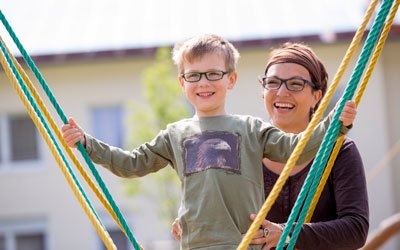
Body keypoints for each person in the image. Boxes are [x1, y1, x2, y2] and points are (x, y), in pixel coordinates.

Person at [61, 35, 357, 249]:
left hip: (243, 243)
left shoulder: (251, 129)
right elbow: (131, 164)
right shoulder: (174, 134)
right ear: (182, 83)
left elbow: (297, 149)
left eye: (214, 74)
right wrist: (88, 143)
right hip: (197, 244)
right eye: (194, 76)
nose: (204, 83)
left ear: (231, 80)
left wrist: (334, 123)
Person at [172, 42, 368, 249]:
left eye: (295, 84)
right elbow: (219, 208)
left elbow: (356, 229)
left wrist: (287, 233)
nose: (281, 92)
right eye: (273, 82)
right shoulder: (242, 148)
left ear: (316, 96)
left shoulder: (338, 151)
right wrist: (194, 220)